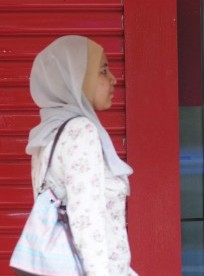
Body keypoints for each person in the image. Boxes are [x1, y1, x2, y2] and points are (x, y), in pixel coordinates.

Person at [25, 35, 138, 276]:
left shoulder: (48, 135)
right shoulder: (80, 131)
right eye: (103, 70)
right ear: (74, 77)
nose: (113, 79)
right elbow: (87, 224)